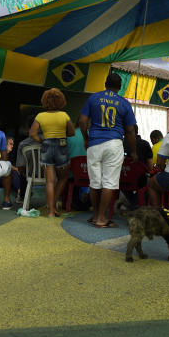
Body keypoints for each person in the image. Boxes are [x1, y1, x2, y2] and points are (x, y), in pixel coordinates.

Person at [79, 72, 137, 228]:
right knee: (109, 183)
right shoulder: (124, 103)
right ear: (120, 87)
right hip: (114, 144)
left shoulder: (93, 98)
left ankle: (95, 215)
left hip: (94, 143)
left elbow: (82, 121)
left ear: (105, 84)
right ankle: (101, 218)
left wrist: (86, 138)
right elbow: (130, 131)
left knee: (95, 182)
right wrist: (133, 152)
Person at [30, 88, 76, 218]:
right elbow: (72, 132)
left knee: (49, 181)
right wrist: (61, 135)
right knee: (63, 178)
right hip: (61, 145)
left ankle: (51, 211)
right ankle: (54, 204)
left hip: (47, 145)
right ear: (61, 101)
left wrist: (42, 140)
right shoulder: (64, 115)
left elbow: (32, 134)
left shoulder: (40, 116)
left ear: (45, 101)